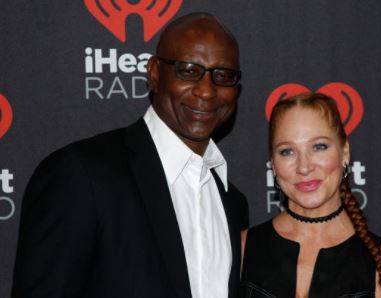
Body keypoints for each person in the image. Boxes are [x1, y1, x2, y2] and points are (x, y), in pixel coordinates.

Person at [12, 12, 248, 298]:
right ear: (154, 73)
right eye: (189, 70)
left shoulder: (233, 203)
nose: (207, 91)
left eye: (223, 76)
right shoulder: (81, 176)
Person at [240, 93, 381, 298]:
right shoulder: (241, 250)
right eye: (287, 151)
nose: (304, 167)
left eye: (319, 147)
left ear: (345, 153)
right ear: (273, 163)